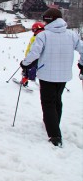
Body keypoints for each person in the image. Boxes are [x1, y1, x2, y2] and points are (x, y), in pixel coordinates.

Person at [20, 8, 83, 147]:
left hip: (47, 75)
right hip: (64, 75)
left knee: (48, 103)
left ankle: (55, 135)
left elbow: (34, 53)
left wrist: (25, 64)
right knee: (57, 101)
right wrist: (81, 64)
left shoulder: (44, 35)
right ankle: (54, 124)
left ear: (49, 20)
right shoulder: (71, 35)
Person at [19, 22, 45, 88]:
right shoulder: (35, 36)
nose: (33, 31)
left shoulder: (40, 38)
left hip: (34, 57)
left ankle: (26, 80)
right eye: (33, 30)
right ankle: (26, 79)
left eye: (34, 30)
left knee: (29, 69)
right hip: (30, 56)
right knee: (26, 69)